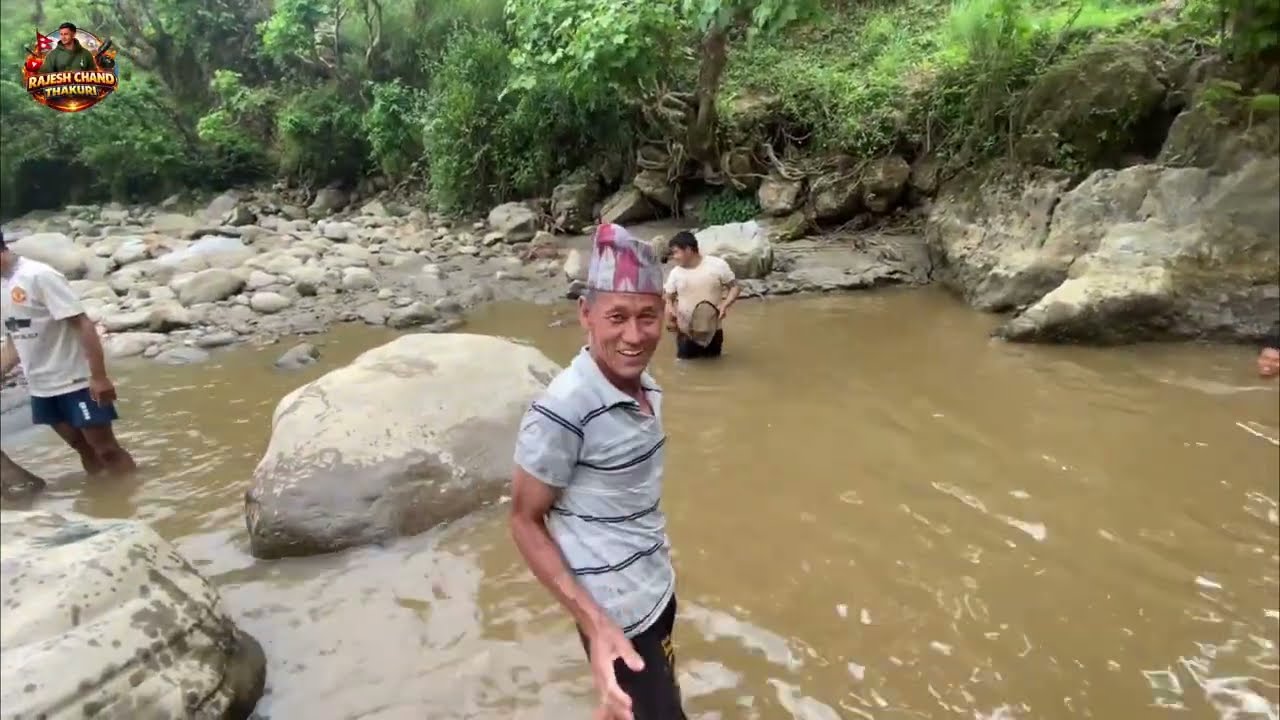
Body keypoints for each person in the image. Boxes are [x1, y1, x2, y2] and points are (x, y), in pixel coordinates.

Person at [509, 223, 685, 720]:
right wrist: (597, 626)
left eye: (648, 317)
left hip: (655, 591)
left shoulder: (645, 387)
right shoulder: (562, 409)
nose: (634, 336)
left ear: (665, 313)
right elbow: (523, 520)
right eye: (617, 317)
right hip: (619, 617)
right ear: (585, 314)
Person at [0, 232, 136, 476]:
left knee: (106, 450)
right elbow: (14, 339)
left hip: (76, 382)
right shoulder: (2, 285)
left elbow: (83, 323)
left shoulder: (39, 276)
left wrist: (99, 376)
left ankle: (133, 495)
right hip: (41, 387)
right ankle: (104, 502)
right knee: (80, 447)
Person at [663, 231, 740, 360]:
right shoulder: (675, 273)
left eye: (676, 252)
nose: (674, 257)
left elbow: (735, 287)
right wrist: (670, 312)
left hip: (713, 331)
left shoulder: (717, 265)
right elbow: (668, 297)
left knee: (715, 367)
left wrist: (725, 305)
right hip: (686, 333)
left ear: (688, 249)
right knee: (685, 368)